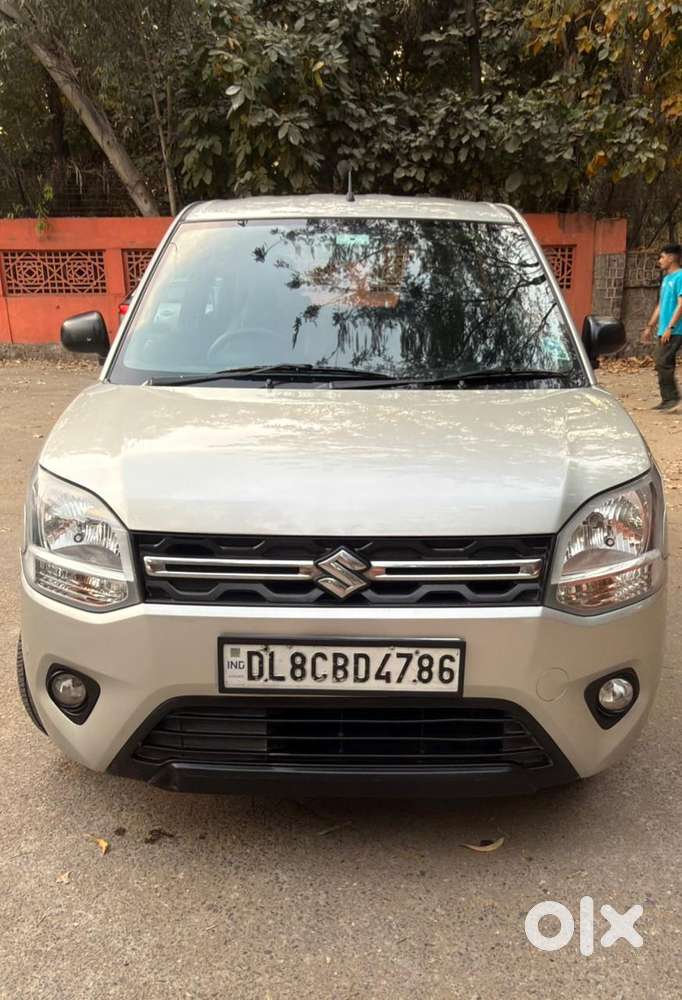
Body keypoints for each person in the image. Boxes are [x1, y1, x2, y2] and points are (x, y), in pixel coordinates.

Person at [642, 243, 682, 410]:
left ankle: (671, 399)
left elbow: (681, 304)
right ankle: (668, 400)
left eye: (662, 257)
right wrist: (650, 326)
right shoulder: (666, 279)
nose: (660, 260)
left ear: (671, 258)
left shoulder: (680, 276)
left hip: (676, 329)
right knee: (663, 361)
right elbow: (660, 305)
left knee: (662, 360)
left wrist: (670, 327)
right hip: (664, 329)